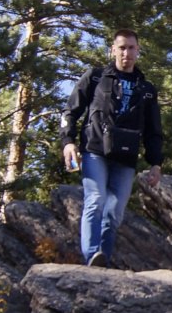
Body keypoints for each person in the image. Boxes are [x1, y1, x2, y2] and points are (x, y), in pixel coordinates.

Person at [60, 29, 163, 267]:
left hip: (126, 157)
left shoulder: (146, 90)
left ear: (138, 51)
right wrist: (68, 142)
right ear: (113, 50)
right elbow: (70, 111)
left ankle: (101, 260)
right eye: (122, 47)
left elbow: (153, 130)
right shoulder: (95, 78)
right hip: (94, 149)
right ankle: (91, 253)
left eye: (131, 48)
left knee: (115, 213)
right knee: (95, 199)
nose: (126, 52)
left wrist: (156, 163)